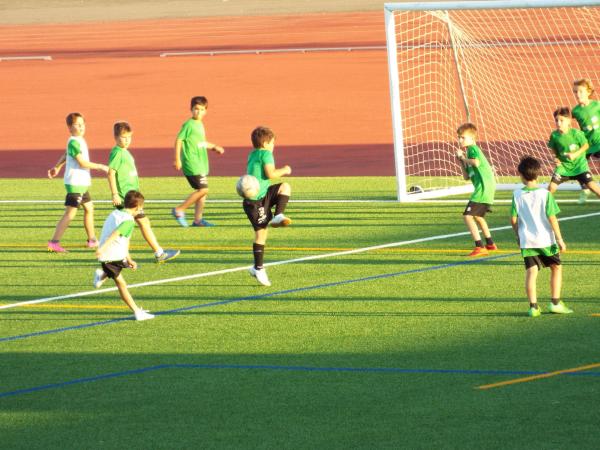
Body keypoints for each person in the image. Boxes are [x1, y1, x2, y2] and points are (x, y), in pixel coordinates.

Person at [108, 121, 179, 263]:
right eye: (123, 137)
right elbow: (111, 173)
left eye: (129, 137)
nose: (127, 140)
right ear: (116, 138)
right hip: (126, 198)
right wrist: (115, 194)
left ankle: (119, 255)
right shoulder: (118, 153)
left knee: (130, 227)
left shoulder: (124, 152)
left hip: (132, 197)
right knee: (140, 224)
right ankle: (159, 253)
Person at [511, 156, 572, 317]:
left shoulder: (517, 194)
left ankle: (533, 307)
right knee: (556, 267)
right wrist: (560, 239)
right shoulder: (545, 194)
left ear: (521, 175)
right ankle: (555, 303)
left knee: (531, 272)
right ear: (538, 175)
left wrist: (518, 237)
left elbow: (513, 219)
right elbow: (552, 218)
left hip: (527, 240)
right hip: (546, 240)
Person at [47, 112, 108, 253]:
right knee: (70, 213)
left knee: (89, 208)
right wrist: (100, 166)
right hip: (76, 183)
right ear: (69, 127)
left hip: (81, 183)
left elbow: (65, 155)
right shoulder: (74, 141)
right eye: (77, 125)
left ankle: (92, 240)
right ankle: (54, 242)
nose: (81, 127)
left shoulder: (78, 140)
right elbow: (81, 163)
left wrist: (57, 167)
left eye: (82, 124)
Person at [93, 190, 155, 321]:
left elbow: (123, 240)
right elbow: (115, 234)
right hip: (110, 256)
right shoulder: (128, 221)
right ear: (138, 207)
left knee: (117, 277)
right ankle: (137, 312)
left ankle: (101, 275)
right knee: (121, 284)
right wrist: (102, 249)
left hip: (115, 254)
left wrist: (129, 259)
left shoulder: (115, 213)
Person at [242, 126, 292, 286]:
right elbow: (270, 174)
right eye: (272, 143)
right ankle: (258, 268)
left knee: (285, 187)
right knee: (261, 236)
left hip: (263, 195)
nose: (273, 146)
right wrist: (285, 169)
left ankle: (278, 215)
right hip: (255, 202)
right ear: (265, 143)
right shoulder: (266, 154)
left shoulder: (252, 154)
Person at [172, 96, 224, 227]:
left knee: (202, 193)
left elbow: (200, 143)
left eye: (201, 109)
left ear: (206, 111)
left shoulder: (199, 124)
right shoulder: (189, 124)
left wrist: (213, 147)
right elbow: (179, 140)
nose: (198, 112)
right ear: (191, 109)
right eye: (196, 109)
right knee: (203, 190)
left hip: (200, 163)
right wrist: (177, 159)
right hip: (192, 162)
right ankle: (179, 210)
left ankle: (198, 220)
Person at [455, 123, 497, 257]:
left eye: (463, 138)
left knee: (467, 216)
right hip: (487, 188)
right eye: (459, 138)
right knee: (478, 217)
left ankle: (479, 246)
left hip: (483, 188)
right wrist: (461, 161)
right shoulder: (468, 154)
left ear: (472, 139)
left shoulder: (472, 148)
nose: (460, 140)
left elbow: (476, 163)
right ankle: (490, 244)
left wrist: (463, 158)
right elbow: (466, 177)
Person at [547, 107, 600, 200]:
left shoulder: (576, 133)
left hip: (579, 167)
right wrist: (556, 158)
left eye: (561, 120)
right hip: (564, 167)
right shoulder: (554, 135)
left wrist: (575, 154)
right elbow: (554, 149)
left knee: (592, 187)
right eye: (556, 120)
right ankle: (544, 207)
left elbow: (586, 145)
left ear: (569, 121)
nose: (558, 123)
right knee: (551, 188)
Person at [572, 78, 600, 203]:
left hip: (599, 142)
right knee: (577, 165)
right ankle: (585, 188)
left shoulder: (597, 105)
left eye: (581, 91)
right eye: (575, 92)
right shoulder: (576, 111)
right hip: (586, 144)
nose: (578, 94)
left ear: (588, 92)